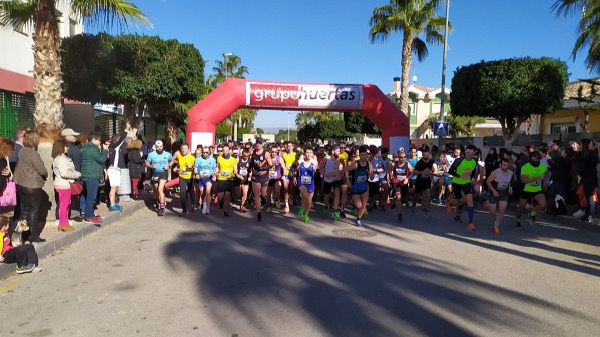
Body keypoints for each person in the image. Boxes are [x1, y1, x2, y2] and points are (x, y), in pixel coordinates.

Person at [13, 129, 48, 243]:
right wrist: (45, 174)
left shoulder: (22, 151)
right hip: (32, 186)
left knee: (24, 210)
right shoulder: (33, 153)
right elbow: (42, 170)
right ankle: (33, 235)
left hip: (21, 184)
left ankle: (21, 234)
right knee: (34, 210)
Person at [52, 140, 81, 232]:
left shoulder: (61, 157)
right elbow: (64, 173)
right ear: (61, 147)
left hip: (63, 184)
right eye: (66, 146)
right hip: (63, 184)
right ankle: (63, 224)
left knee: (66, 204)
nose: (68, 148)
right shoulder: (61, 158)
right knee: (64, 205)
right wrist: (77, 174)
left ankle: (64, 223)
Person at [447, 145, 478, 231]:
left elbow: (472, 173)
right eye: (468, 152)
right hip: (456, 182)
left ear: (474, 153)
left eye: (471, 153)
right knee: (456, 201)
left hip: (466, 183)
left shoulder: (474, 162)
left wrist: (472, 179)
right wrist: (460, 176)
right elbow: (450, 171)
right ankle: (449, 202)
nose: (469, 154)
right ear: (465, 151)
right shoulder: (459, 160)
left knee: (470, 201)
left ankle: (470, 223)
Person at [80, 133, 108, 225]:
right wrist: (105, 151)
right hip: (92, 175)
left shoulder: (84, 148)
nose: (100, 142)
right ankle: (89, 216)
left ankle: (87, 213)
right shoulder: (92, 149)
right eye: (99, 140)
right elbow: (101, 160)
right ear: (94, 140)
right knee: (91, 197)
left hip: (85, 175)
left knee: (86, 195)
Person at [515, 151, 549, 227]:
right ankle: (517, 219)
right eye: (537, 160)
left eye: (539, 160)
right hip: (526, 189)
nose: (538, 161)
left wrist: (544, 183)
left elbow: (547, 173)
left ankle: (532, 213)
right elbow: (523, 180)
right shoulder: (525, 167)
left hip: (537, 189)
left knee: (543, 204)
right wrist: (534, 179)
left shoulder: (543, 166)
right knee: (521, 207)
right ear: (531, 159)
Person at [485, 158, 513, 235]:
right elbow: (487, 181)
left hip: (504, 192)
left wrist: (510, 188)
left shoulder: (511, 172)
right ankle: (486, 203)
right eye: (504, 165)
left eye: (507, 165)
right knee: (492, 211)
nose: (505, 166)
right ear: (500, 165)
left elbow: (510, 182)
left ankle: (495, 227)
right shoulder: (495, 172)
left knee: (502, 210)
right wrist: (493, 191)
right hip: (494, 190)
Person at [347, 146, 373, 228]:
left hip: (364, 187)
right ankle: (354, 204)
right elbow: (346, 170)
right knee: (359, 206)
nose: (365, 157)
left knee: (364, 206)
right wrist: (348, 181)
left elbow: (371, 175)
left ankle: (358, 219)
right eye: (362, 155)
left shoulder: (369, 163)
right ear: (360, 156)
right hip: (356, 188)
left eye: (366, 155)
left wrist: (372, 175)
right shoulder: (355, 164)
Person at [145, 140, 173, 216]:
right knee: (156, 191)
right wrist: (151, 166)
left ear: (163, 146)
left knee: (160, 189)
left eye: (161, 147)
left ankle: (162, 207)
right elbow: (146, 163)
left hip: (164, 173)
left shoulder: (167, 154)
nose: (159, 148)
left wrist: (168, 165)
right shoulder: (151, 154)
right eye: (158, 147)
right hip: (155, 174)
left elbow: (172, 160)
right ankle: (158, 201)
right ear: (155, 147)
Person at [251, 138, 272, 222]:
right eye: (257, 143)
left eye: (260, 143)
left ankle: (263, 198)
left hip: (264, 176)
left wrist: (263, 168)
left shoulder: (266, 153)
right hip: (256, 176)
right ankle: (259, 213)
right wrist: (250, 172)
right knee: (256, 195)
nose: (258, 144)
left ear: (262, 144)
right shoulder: (253, 153)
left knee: (263, 193)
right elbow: (251, 163)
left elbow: (270, 165)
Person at [320, 145, 344, 220]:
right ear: (333, 151)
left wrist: (341, 173)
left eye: (339, 151)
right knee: (327, 194)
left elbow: (344, 167)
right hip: (328, 179)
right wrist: (325, 174)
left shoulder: (340, 159)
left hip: (336, 179)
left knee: (337, 193)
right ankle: (326, 206)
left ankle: (335, 210)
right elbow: (320, 168)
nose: (339, 152)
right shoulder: (326, 158)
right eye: (337, 151)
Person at [106, 132, 128, 212]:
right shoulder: (114, 146)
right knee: (113, 188)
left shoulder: (114, 147)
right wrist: (126, 129)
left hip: (116, 170)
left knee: (115, 188)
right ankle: (112, 205)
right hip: (114, 170)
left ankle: (113, 203)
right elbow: (123, 137)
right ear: (117, 140)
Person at [172, 143, 196, 214]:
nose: (183, 150)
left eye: (185, 149)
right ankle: (184, 208)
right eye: (182, 149)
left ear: (189, 150)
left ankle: (193, 204)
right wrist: (176, 168)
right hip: (182, 177)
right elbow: (179, 165)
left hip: (191, 178)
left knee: (191, 192)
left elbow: (195, 169)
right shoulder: (180, 157)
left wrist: (191, 167)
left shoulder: (192, 158)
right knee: (182, 193)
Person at [389, 151, 412, 221]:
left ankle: (394, 202)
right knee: (399, 197)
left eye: (404, 157)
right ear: (398, 158)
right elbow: (389, 170)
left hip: (404, 183)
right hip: (396, 183)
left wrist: (407, 179)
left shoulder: (407, 164)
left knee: (402, 199)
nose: (403, 159)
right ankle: (399, 214)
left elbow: (412, 172)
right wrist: (391, 177)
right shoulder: (394, 164)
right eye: (401, 157)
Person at [215, 145, 237, 217]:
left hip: (229, 180)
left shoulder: (233, 159)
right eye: (223, 150)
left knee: (227, 196)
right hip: (221, 179)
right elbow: (217, 167)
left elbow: (235, 169)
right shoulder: (219, 158)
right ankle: (221, 201)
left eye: (226, 150)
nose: (225, 152)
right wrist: (216, 172)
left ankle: (225, 211)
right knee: (220, 196)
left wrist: (234, 173)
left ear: (229, 151)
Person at [413, 147, 434, 219]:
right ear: (422, 155)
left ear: (429, 155)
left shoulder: (431, 161)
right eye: (424, 155)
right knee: (417, 195)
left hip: (427, 180)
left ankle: (427, 210)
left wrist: (432, 171)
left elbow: (432, 169)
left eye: (427, 155)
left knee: (428, 194)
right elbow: (414, 172)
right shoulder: (419, 163)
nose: (426, 156)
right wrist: (422, 172)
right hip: (419, 181)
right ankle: (414, 204)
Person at [297, 147, 317, 223]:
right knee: (304, 195)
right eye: (307, 152)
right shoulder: (300, 161)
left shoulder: (314, 162)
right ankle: (302, 209)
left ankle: (306, 215)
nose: (309, 154)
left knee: (309, 201)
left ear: (312, 154)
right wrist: (295, 174)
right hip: (301, 182)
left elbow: (316, 168)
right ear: (304, 153)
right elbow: (295, 168)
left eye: (310, 152)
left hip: (310, 183)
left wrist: (315, 169)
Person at [194, 146, 216, 215]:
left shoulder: (212, 160)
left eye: (207, 152)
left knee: (208, 192)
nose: (205, 154)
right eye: (203, 152)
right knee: (201, 192)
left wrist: (214, 174)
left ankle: (207, 208)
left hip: (208, 178)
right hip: (201, 178)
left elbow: (215, 168)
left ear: (209, 152)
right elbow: (195, 168)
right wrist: (196, 173)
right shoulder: (198, 159)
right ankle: (203, 204)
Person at [282, 142, 297, 214]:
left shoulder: (296, 155)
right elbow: (282, 164)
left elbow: (297, 165)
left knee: (292, 190)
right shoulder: (284, 155)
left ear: (293, 147)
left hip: (293, 175)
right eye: (287, 146)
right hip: (286, 174)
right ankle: (286, 204)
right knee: (285, 189)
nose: (289, 147)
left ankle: (291, 203)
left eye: (290, 146)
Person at [235, 147, 252, 212]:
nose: (245, 157)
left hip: (245, 179)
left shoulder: (250, 160)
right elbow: (235, 170)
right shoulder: (237, 159)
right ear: (242, 154)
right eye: (244, 155)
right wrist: (238, 175)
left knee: (245, 193)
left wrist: (250, 176)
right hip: (238, 179)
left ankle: (242, 206)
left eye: (247, 156)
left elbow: (251, 170)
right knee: (238, 194)